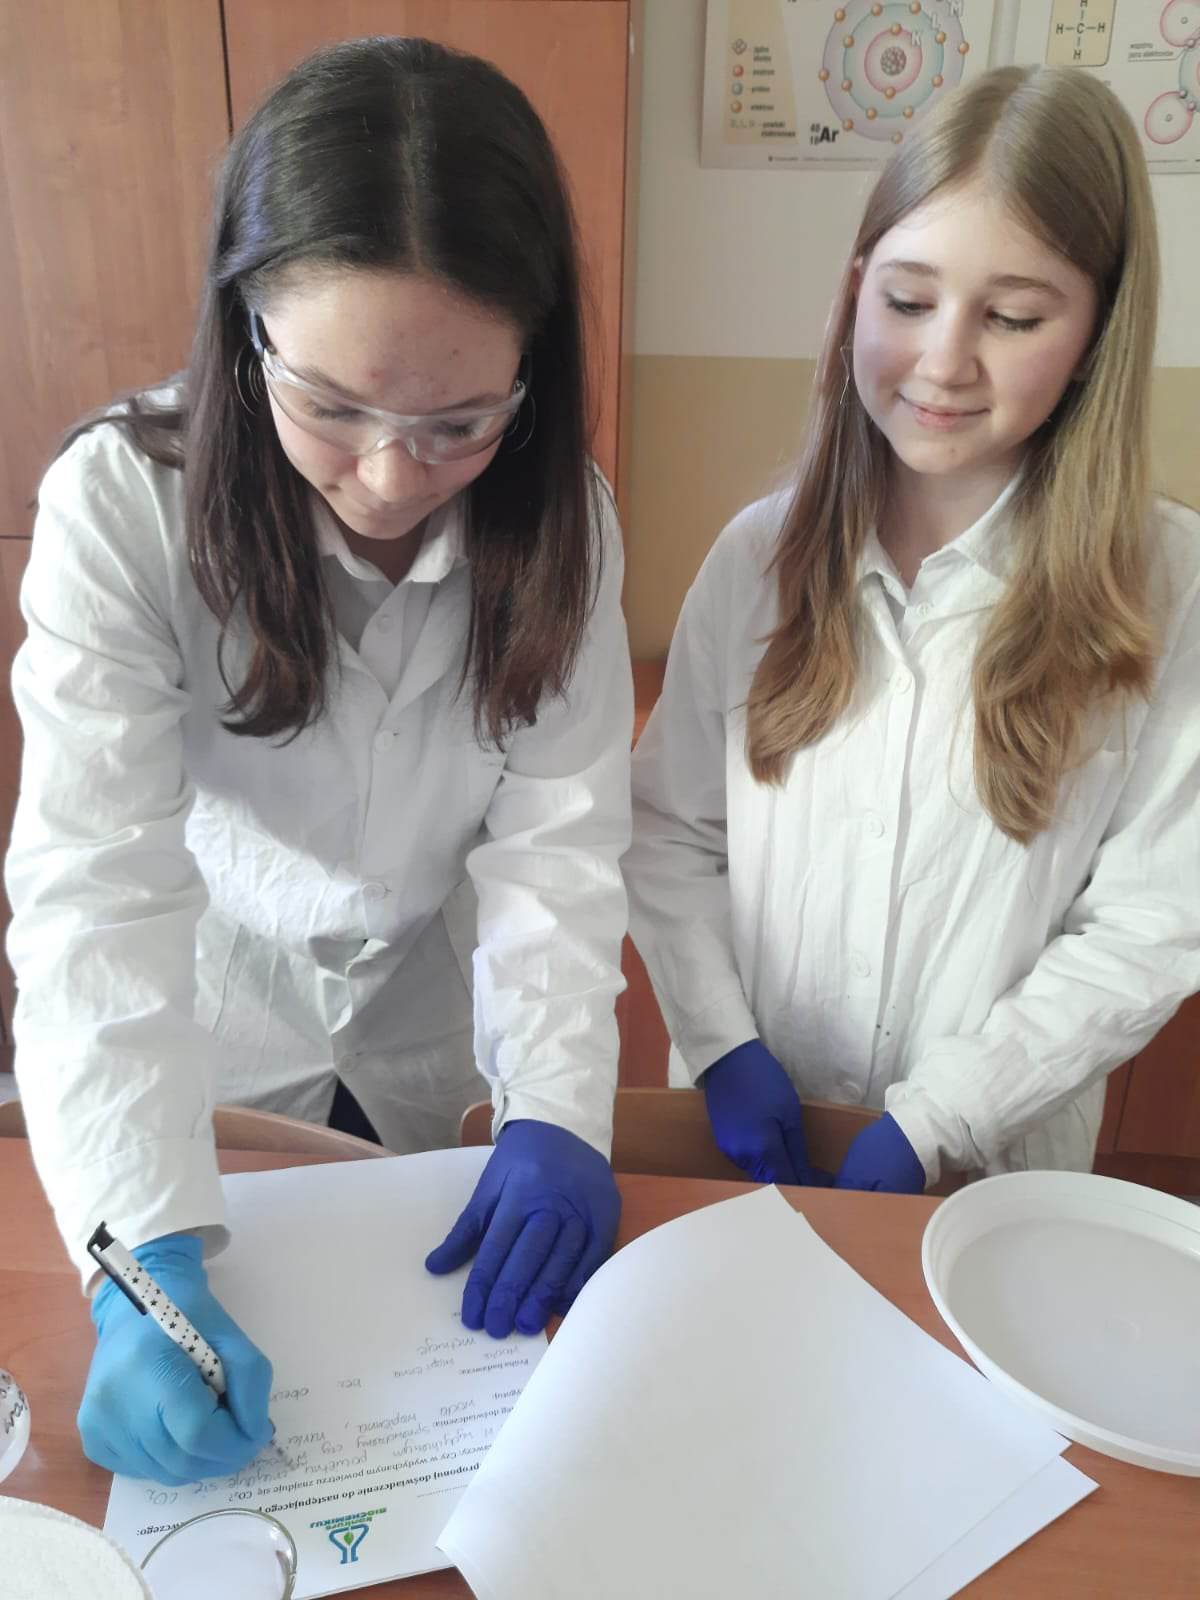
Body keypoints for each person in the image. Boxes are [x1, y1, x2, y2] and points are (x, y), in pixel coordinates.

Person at [5, 37, 631, 1485]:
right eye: (335, 407)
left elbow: (557, 847)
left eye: (458, 423)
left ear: (530, 372)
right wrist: (139, 1258)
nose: (392, 478)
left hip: (434, 1016)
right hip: (213, 1023)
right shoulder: (123, 506)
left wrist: (555, 1108)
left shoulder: (567, 527)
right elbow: (97, 888)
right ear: (246, 335)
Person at [626, 66, 1199, 1197]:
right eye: (906, 301)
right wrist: (724, 1045)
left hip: (990, 1174)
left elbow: (1151, 920)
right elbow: (671, 832)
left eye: (1013, 317)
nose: (943, 361)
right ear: (855, 294)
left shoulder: (1168, 588)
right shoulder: (759, 559)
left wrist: (941, 1118)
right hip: (750, 1151)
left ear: (1097, 331)